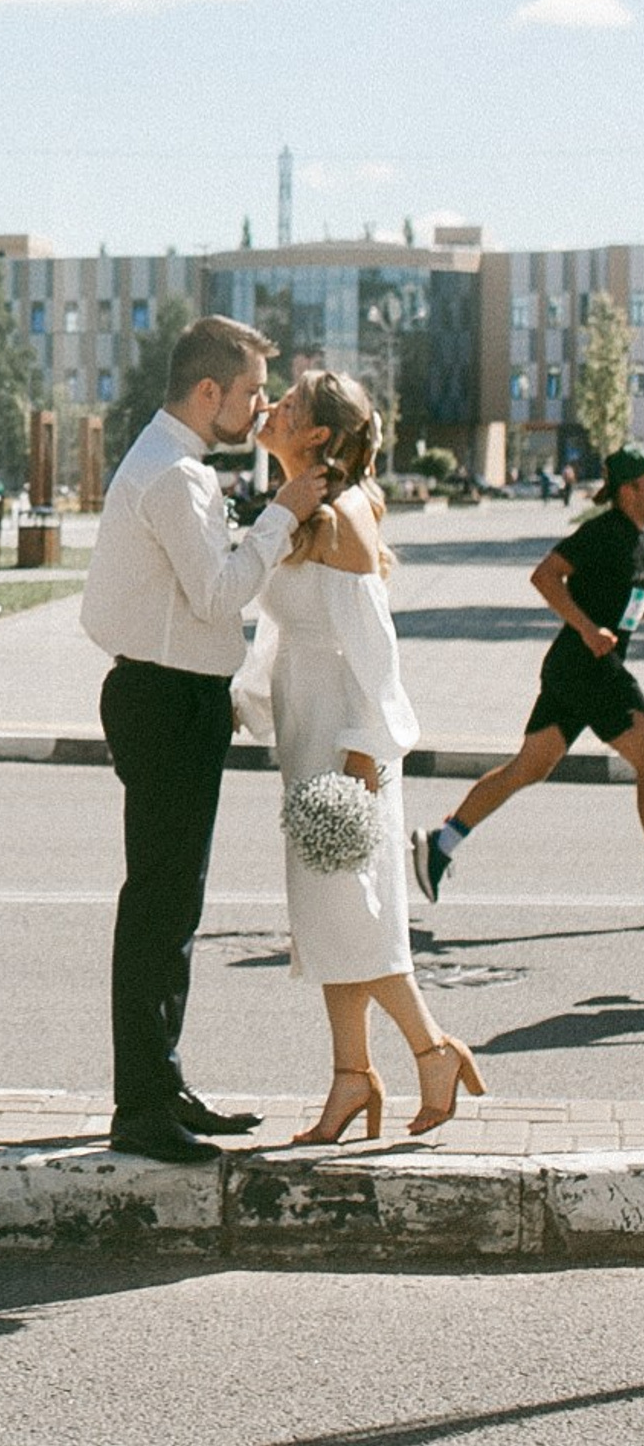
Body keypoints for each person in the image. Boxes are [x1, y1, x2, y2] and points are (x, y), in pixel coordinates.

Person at [81, 315, 329, 1166]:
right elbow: (220, 595)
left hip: (174, 694)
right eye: (254, 390)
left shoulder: (175, 463)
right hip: (164, 700)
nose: (262, 404)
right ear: (209, 391)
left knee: (173, 903)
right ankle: (140, 1108)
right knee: (159, 904)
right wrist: (282, 515)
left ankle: (163, 1082)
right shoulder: (173, 477)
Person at [233, 369, 485, 1142]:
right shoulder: (304, 511)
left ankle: (432, 1050)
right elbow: (281, 632)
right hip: (310, 734)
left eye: (291, 402)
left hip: (348, 748)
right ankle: (351, 1078)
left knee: (356, 916)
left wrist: (363, 758)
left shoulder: (340, 518)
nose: (271, 408)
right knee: (326, 919)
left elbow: (376, 656)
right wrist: (248, 705)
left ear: (314, 436)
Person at [413, 445, 644, 902]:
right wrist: (587, 629)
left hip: (578, 669)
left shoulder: (636, 536)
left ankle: (440, 844)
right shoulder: (602, 533)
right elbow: (544, 576)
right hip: (587, 667)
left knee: (529, 767)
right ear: (626, 490)